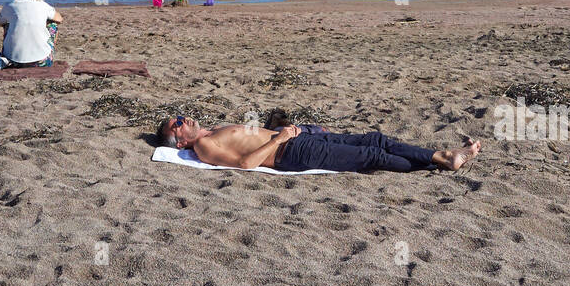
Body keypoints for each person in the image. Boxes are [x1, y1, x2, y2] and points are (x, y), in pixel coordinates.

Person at [157, 116, 481, 173]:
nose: (184, 120)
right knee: (371, 156)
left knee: (375, 139)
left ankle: (437, 158)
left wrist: (292, 129)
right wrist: (282, 138)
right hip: (290, 152)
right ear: (179, 140)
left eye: (181, 116)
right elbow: (245, 164)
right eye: (178, 123)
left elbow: (253, 136)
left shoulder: (211, 130)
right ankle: (442, 158)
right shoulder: (202, 148)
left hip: (298, 138)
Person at [0, 0, 63, 67]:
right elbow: (59, 19)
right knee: (53, 25)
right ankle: (46, 51)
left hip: (12, 61)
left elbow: (0, 22)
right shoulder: (43, 5)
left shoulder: (9, 5)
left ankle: (13, 50)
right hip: (41, 61)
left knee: (7, 25)